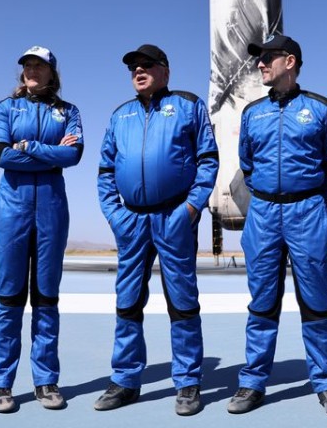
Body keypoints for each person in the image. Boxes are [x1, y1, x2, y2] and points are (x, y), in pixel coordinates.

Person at [226, 34, 327, 418]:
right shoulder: (252, 112)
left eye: (268, 57)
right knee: (262, 302)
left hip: (307, 212)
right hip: (263, 214)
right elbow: (247, 165)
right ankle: (252, 382)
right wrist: (269, 198)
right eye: (259, 59)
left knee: (316, 302)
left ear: (290, 61)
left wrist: (310, 202)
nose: (260, 64)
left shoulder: (322, 108)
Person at [95, 44, 219, 416]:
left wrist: (191, 208)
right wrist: (114, 214)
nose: (138, 70)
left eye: (146, 65)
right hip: (131, 220)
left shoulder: (188, 105)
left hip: (174, 217)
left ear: (165, 70)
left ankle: (187, 382)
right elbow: (105, 170)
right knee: (127, 302)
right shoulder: (120, 115)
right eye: (133, 66)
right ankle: (125, 380)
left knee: (182, 302)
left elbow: (208, 160)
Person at [0, 45, 84, 413]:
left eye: (39, 66)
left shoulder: (68, 112)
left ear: (51, 72)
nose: (32, 70)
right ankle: (0, 383)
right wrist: (49, 153)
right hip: (11, 210)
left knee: (46, 298)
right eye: (28, 65)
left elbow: (73, 155)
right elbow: (1, 154)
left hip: (52, 212)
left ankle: (46, 380)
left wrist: (27, 146)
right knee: (10, 297)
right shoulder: (5, 108)